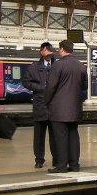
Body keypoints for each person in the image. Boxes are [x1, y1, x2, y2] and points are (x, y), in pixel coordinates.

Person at [43, 39, 88, 173]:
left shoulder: (58, 65)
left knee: (60, 138)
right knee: (73, 136)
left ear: (62, 49)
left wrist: (46, 101)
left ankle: (61, 166)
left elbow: (51, 86)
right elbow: (84, 87)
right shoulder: (81, 66)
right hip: (75, 108)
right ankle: (74, 165)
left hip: (59, 109)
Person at [21, 41, 55, 169]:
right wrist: (40, 88)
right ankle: (39, 159)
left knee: (55, 135)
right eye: (45, 50)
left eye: (49, 50)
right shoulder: (34, 67)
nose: (48, 52)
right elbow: (25, 82)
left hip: (54, 107)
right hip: (40, 105)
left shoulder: (56, 66)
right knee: (39, 136)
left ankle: (56, 158)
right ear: (41, 51)